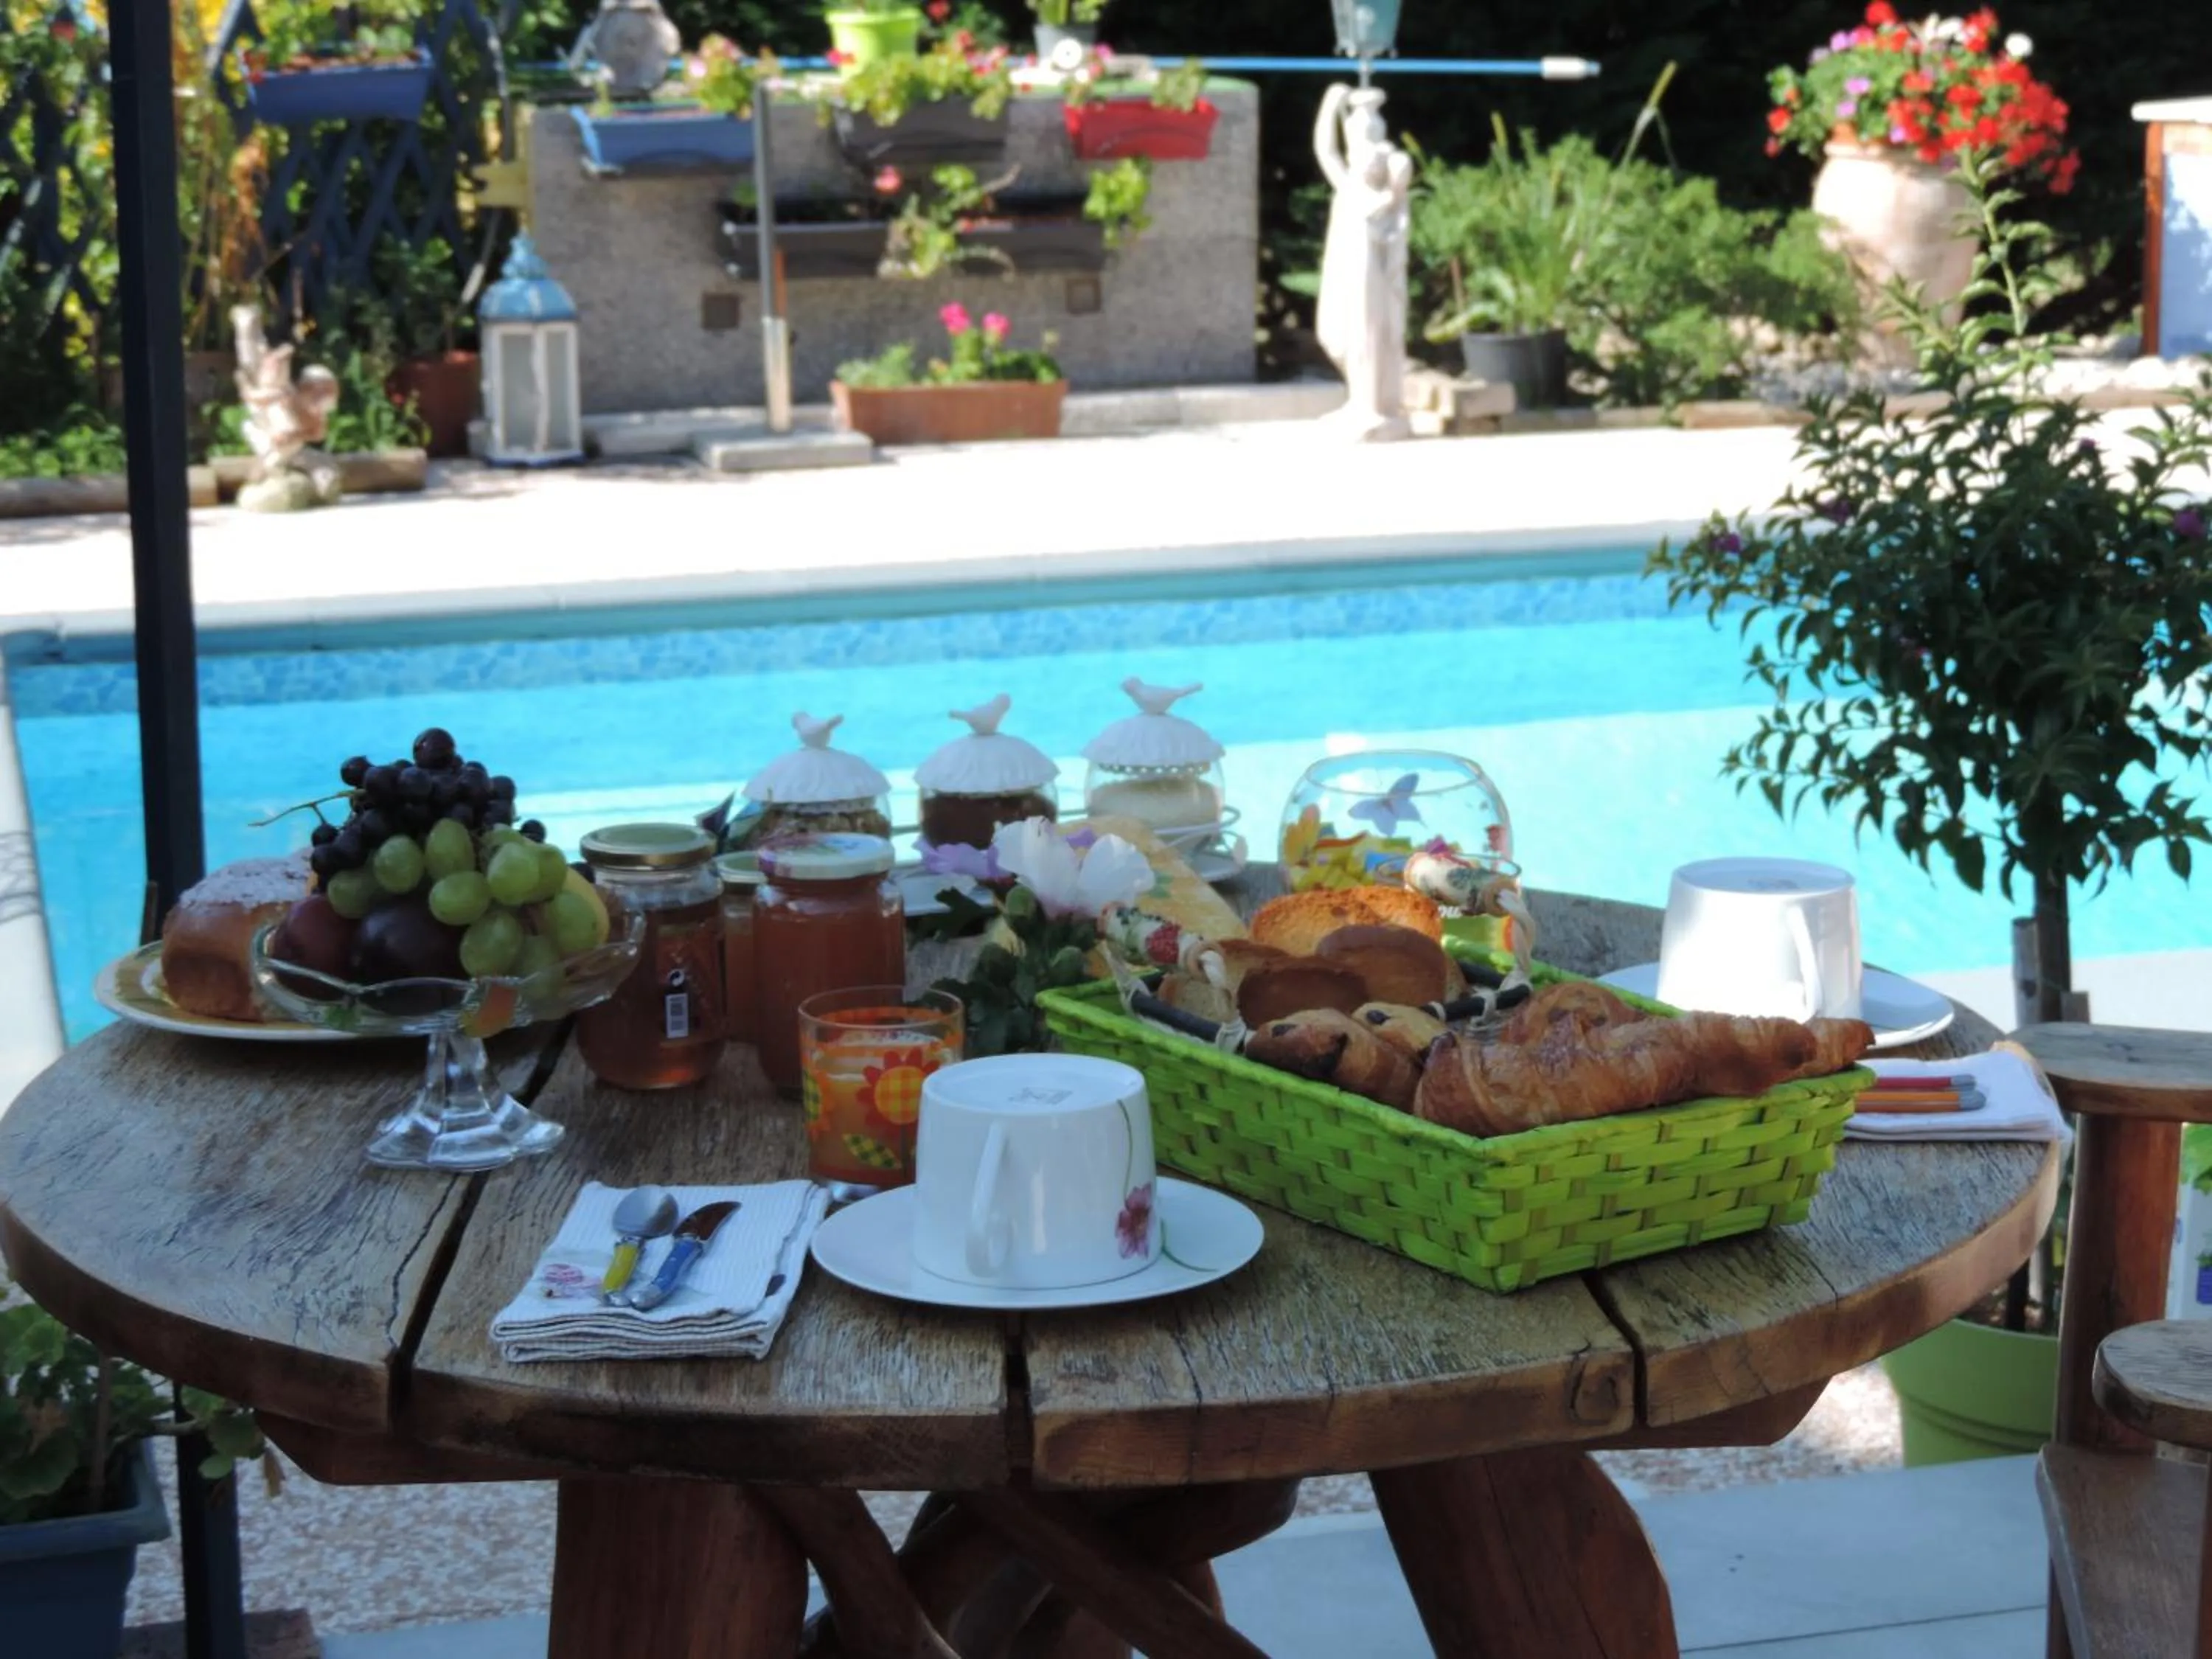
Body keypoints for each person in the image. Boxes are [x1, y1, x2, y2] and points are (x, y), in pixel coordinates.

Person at [1312, 83, 1412, 441]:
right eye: (1361, 153)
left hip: (1370, 293)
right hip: (1348, 284)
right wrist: (1330, 106)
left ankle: (1372, 407)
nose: (1366, 161)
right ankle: (1360, 402)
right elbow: (1326, 150)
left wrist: (1392, 195)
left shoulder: (1384, 205)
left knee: (1366, 339)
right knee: (1337, 335)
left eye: (1374, 156)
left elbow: (1390, 253)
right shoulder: (1350, 187)